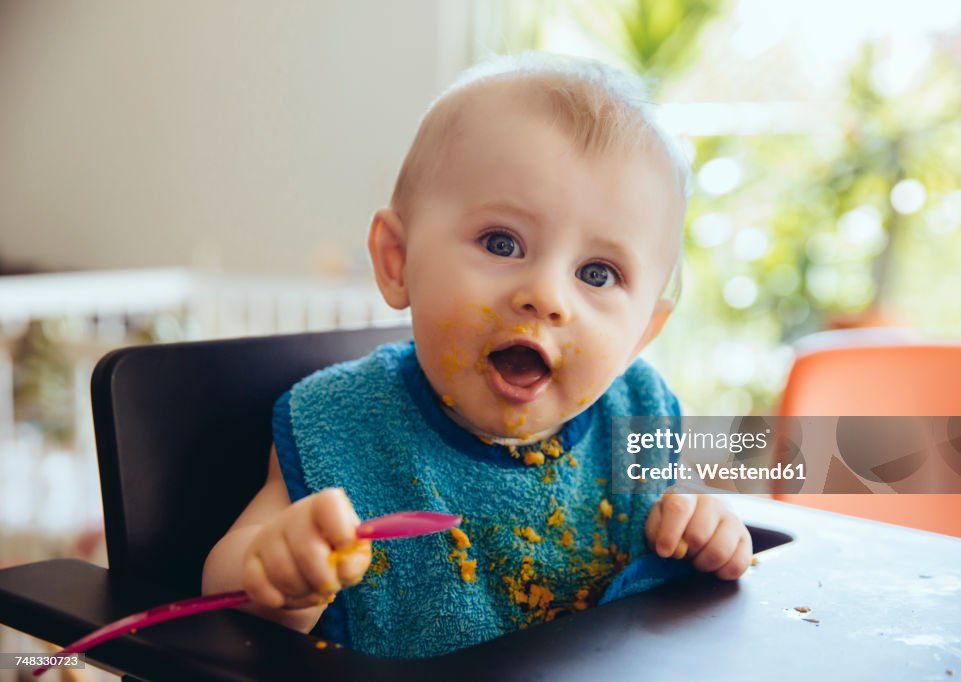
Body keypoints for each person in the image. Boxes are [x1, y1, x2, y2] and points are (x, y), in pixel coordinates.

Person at [202, 52, 752, 659]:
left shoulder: (639, 414)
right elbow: (227, 587)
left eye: (597, 273)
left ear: (641, 335)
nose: (546, 296)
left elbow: (681, 501)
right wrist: (278, 574)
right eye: (502, 242)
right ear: (397, 261)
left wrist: (708, 526)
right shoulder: (345, 423)